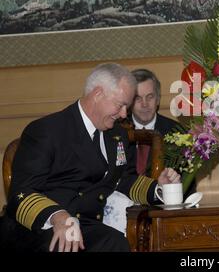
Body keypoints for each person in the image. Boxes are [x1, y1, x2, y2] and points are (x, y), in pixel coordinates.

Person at [0, 63, 180, 252]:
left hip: (84, 226)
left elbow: (123, 180)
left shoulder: (116, 135)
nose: (124, 114)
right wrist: (58, 216)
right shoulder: (47, 131)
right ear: (98, 94)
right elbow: (21, 193)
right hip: (39, 228)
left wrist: (158, 189)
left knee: (116, 243)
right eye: (120, 105)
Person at [125, 68, 180, 175]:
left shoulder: (176, 133)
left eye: (150, 97)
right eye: (138, 98)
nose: (144, 104)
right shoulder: (118, 131)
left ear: (158, 99)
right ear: (129, 102)